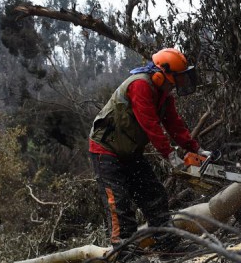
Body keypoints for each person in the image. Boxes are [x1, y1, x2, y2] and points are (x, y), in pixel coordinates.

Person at [88, 47, 211, 252]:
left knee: (154, 194)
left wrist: (196, 149)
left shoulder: (164, 95)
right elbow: (150, 124)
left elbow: (174, 124)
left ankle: (167, 245)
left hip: (130, 151)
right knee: (119, 203)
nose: (178, 84)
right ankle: (126, 254)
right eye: (176, 78)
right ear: (161, 74)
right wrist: (170, 155)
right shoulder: (140, 86)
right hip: (106, 150)